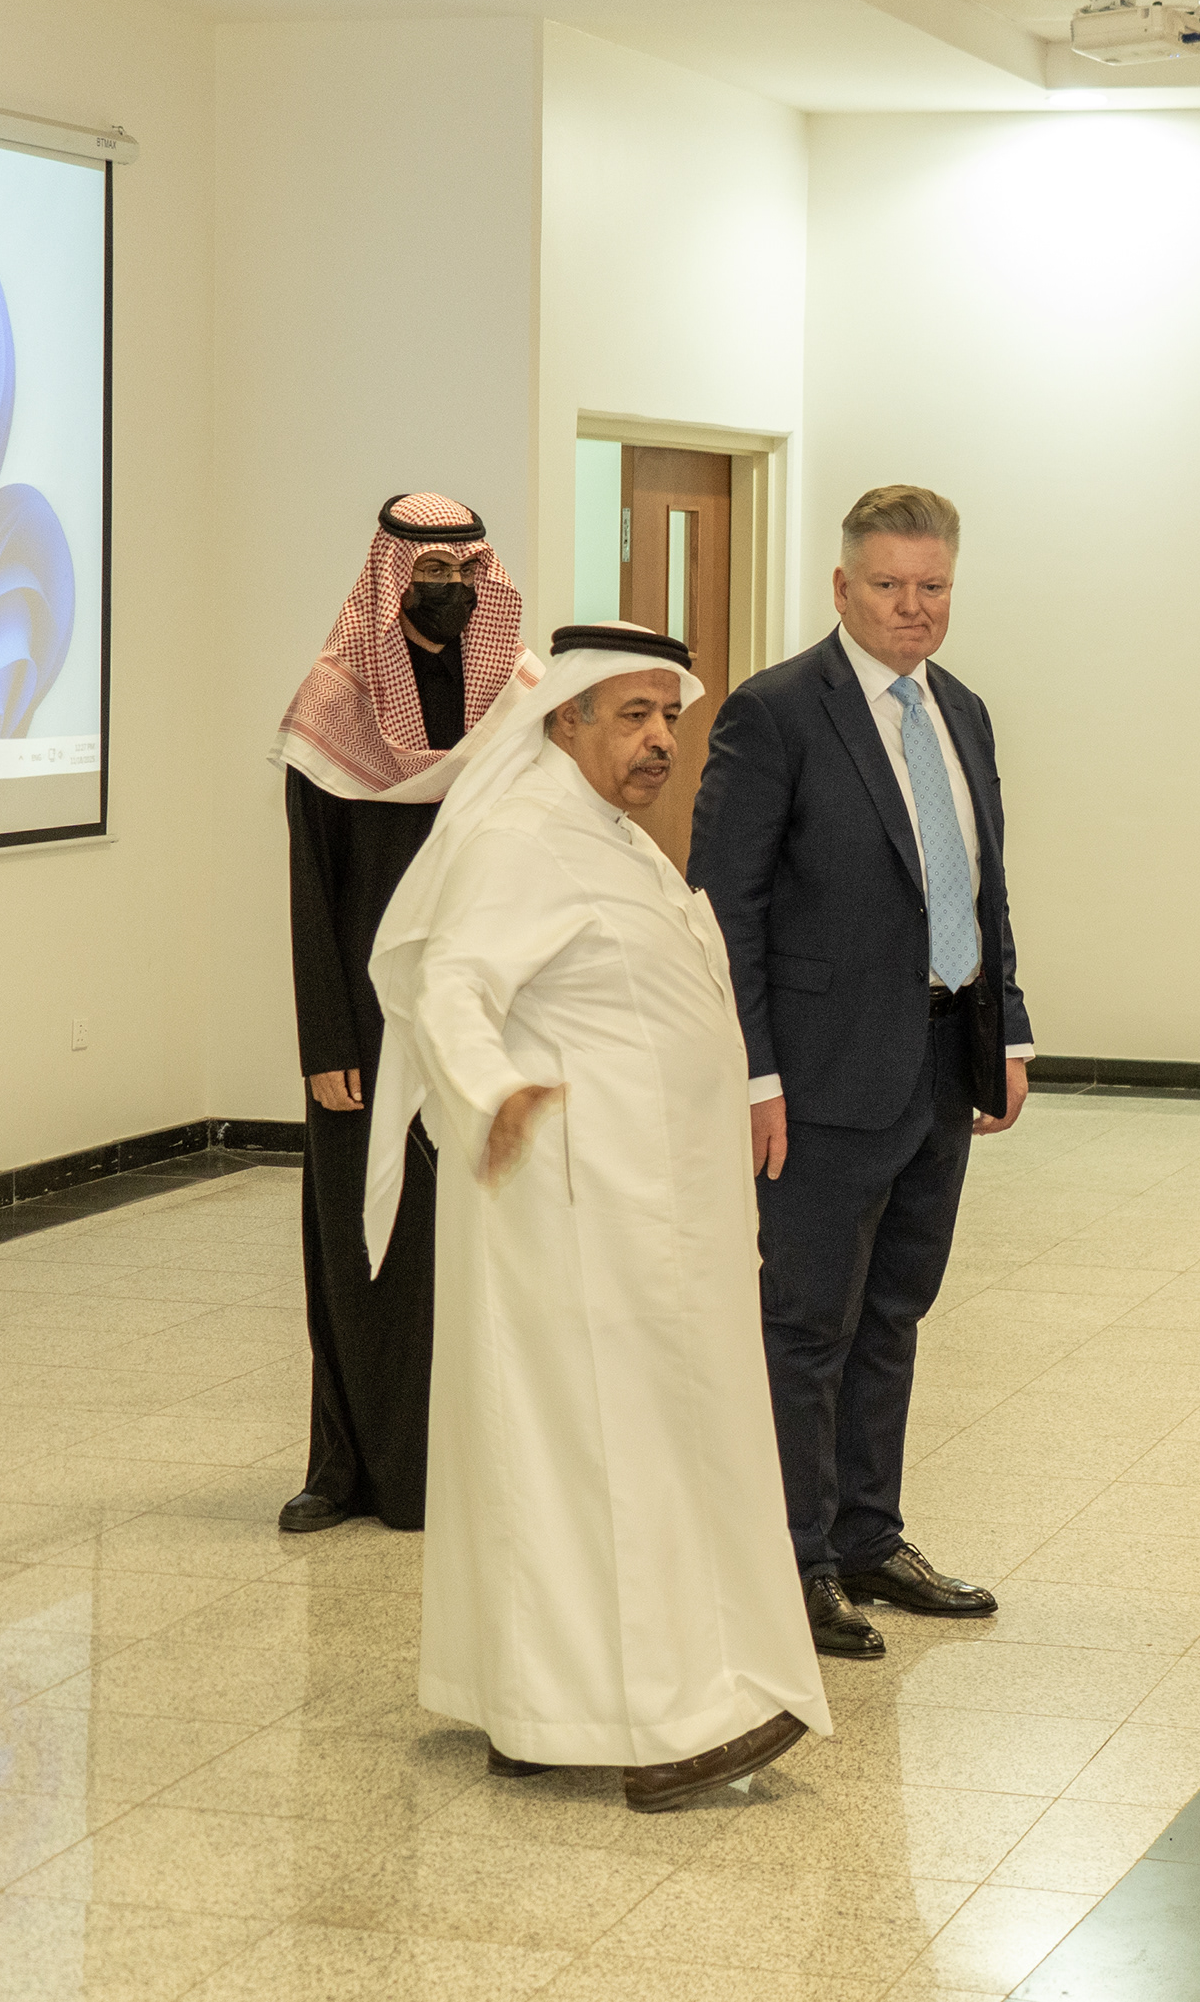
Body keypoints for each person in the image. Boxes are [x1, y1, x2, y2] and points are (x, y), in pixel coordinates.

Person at [364, 623, 830, 1812]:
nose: (660, 739)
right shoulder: (524, 841)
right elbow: (450, 984)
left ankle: (538, 1708)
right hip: (585, 1207)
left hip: (645, 1208)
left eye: (669, 716)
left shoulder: (609, 838)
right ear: (563, 719)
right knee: (617, 1457)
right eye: (632, 715)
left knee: (584, 1452)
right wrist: (492, 1091)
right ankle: (666, 1724)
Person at [688, 483, 1031, 1662]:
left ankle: (869, 1534)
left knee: (895, 1311)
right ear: (842, 587)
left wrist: (1007, 1030)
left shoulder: (962, 711)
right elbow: (723, 907)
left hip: (939, 1063)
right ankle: (794, 1562)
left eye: (932, 586)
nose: (911, 606)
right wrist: (752, 1074)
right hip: (820, 1079)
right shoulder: (777, 712)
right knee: (807, 1324)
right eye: (888, 584)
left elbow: (980, 885)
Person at [269, 493, 532, 1535]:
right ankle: (345, 1467)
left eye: (468, 573)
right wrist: (326, 1040)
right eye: (432, 573)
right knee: (359, 1243)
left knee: (475, 1237)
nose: (454, 590)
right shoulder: (334, 705)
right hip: (369, 1024)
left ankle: (460, 1463)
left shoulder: (513, 704)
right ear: (392, 578)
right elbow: (311, 888)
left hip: (485, 1012)